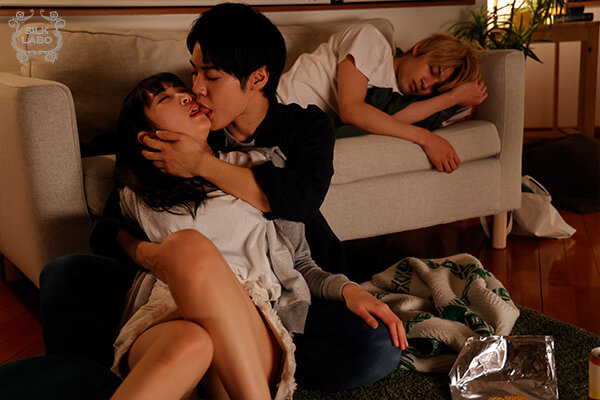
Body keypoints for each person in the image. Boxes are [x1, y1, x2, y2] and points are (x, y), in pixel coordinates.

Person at [40, 3, 404, 393]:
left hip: (280, 290)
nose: (195, 88)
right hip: (178, 289)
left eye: (210, 76)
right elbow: (114, 221)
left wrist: (200, 163)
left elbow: (299, 203)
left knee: (377, 346)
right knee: (64, 273)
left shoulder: (300, 129)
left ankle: (225, 362)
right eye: (194, 72)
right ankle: (202, 364)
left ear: (258, 77)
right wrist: (154, 257)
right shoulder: (191, 127)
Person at [109, 72, 407, 399]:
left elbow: (300, 263)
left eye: (183, 90)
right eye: (166, 98)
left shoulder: (257, 167)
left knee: (187, 246)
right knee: (193, 341)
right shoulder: (137, 191)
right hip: (166, 314)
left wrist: (346, 288)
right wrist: (148, 254)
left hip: (250, 322)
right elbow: (106, 233)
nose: (187, 95)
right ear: (147, 136)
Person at [277, 23, 487, 173]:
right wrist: (427, 138)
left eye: (435, 88)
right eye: (433, 71)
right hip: (276, 108)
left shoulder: (395, 98)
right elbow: (352, 110)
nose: (427, 84)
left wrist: (452, 98)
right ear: (420, 48)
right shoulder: (371, 39)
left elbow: (387, 121)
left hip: (295, 132)